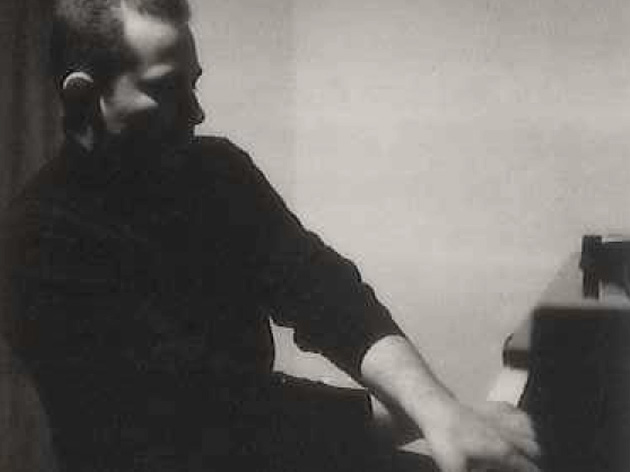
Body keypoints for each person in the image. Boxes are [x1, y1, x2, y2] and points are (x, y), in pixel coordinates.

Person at [0, 0, 541, 471]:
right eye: (167, 89)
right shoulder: (35, 242)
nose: (197, 112)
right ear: (83, 99)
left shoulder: (218, 172)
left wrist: (440, 411)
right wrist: (434, 417)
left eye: (193, 84)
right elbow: (209, 416)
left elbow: (326, 293)